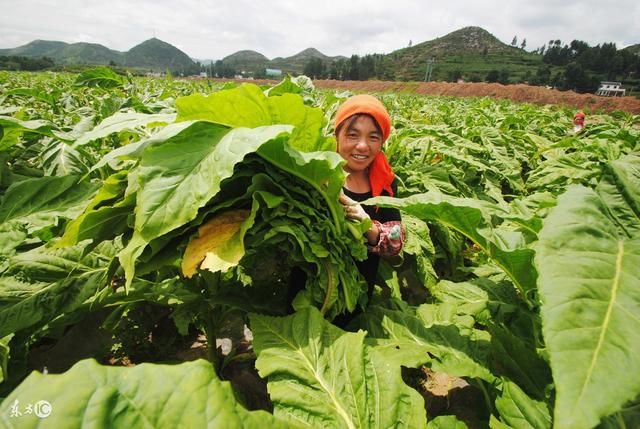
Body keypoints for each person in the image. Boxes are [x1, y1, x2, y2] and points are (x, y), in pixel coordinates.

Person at [334, 94, 405, 298]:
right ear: (336, 137)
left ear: (382, 142)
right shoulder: (319, 177)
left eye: (373, 137)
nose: (363, 146)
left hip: (359, 290)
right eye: (352, 135)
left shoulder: (386, 183)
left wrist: (368, 225)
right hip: (313, 289)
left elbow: (396, 242)